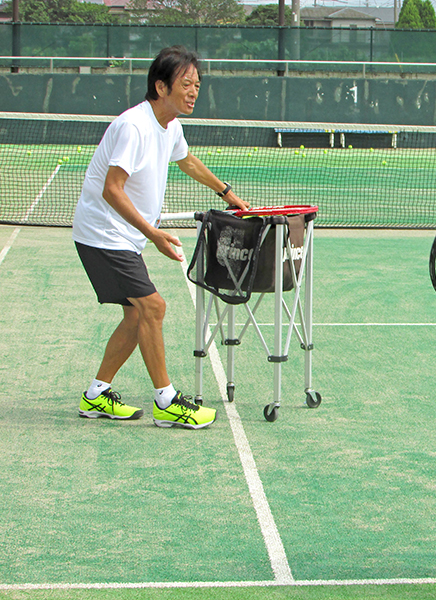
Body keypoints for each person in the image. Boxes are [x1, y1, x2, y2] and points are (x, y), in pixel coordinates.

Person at [73, 45, 249, 429]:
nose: (193, 91)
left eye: (197, 85)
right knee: (152, 307)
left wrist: (228, 194)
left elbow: (186, 160)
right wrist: (152, 233)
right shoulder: (134, 127)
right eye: (186, 84)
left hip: (120, 236)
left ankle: (96, 395)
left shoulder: (170, 126)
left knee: (138, 314)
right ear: (161, 86)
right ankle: (166, 402)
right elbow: (112, 190)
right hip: (103, 234)